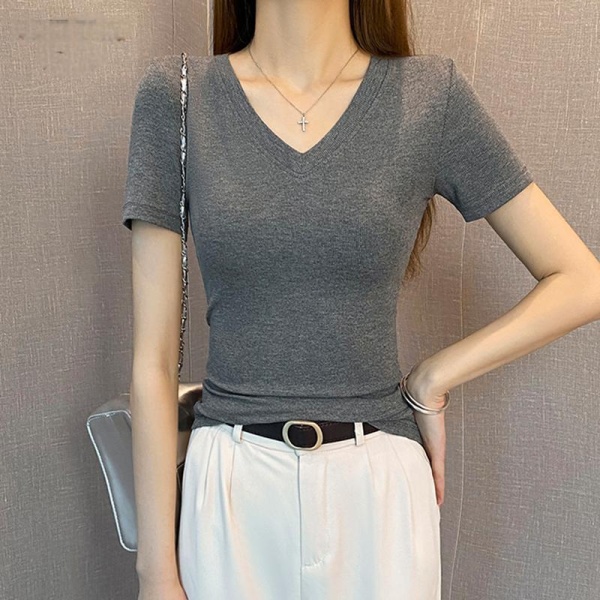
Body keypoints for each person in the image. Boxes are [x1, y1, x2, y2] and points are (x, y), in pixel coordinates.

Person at [121, 1, 600, 599]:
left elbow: (581, 280)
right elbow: (153, 362)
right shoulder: (178, 98)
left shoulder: (429, 97)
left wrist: (433, 377)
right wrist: (156, 574)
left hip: (379, 493)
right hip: (230, 492)